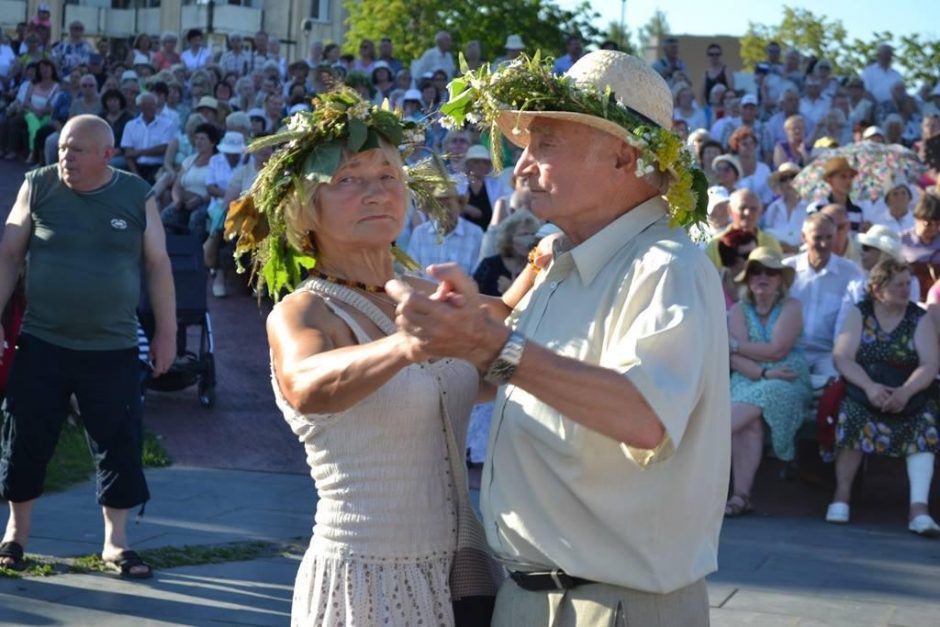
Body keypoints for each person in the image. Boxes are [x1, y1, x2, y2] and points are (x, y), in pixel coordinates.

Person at [389, 50, 730, 626]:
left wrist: (490, 345)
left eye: (543, 144)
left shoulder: (665, 265)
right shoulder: (566, 263)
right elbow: (504, 375)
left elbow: (643, 413)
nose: (520, 168)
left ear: (624, 157)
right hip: (535, 598)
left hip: (611, 605)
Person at [241, 88, 506, 625]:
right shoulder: (304, 310)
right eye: (347, 180)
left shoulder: (423, 291)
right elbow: (307, 384)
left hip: (465, 574)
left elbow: (497, 363)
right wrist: (408, 345)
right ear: (304, 210)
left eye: (387, 177)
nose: (375, 192)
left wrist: (546, 275)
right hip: (365, 580)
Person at [0, 115, 176, 576]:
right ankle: (15, 535)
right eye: (62, 148)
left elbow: (158, 265)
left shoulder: (136, 195)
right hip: (42, 341)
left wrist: (166, 333)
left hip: (112, 346)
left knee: (118, 441)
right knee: (24, 437)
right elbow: (9, 254)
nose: (65, 157)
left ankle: (116, 544)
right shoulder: (37, 186)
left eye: (77, 150)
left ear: (107, 155)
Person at [830, 257, 940, 535]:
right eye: (898, 285)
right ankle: (841, 496)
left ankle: (919, 509)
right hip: (866, 387)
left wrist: (905, 392)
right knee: (852, 416)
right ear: (878, 289)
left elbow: (929, 363)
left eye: (908, 284)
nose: (906, 290)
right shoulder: (861, 312)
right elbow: (842, 356)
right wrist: (869, 387)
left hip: (909, 390)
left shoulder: (918, 316)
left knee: (924, 423)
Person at [726, 247, 811, 516]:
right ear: (748, 278)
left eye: (770, 272)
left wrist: (738, 346)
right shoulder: (739, 310)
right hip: (748, 378)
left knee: (773, 390)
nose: (763, 277)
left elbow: (777, 351)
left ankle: (708, 437)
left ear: (780, 280)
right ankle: (741, 496)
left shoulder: (792, 307)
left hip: (787, 378)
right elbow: (731, 357)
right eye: (756, 271)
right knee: (750, 424)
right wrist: (762, 372)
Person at [784, 213, 865, 382]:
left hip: (830, 354)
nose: (824, 243)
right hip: (791, 350)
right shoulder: (786, 270)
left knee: (834, 389)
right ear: (803, 237)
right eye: (818, 237)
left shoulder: (850, 272)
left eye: (829, 237)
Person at [406, 184, 484, 275]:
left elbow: (477, 275)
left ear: (459, 206)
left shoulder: (475, 234)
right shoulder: (420, 233)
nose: (445, 211)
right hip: (424, 289)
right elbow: (411, 272)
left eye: (449, 205)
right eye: (440, 207)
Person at [705, 188, 781, 269]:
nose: (747, 213)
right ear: (730, 210)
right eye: (742, 208)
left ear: (760, 211)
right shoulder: (715, 244)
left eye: (753, 209)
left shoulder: (770, 243)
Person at [806, 157, 869, 233]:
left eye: (851, 177)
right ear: (830, 180)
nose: (848, 181)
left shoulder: (857, 211)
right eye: (843, 176)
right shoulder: (817, 208)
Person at [762, 162, 807, 252]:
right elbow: (766, 234)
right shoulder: (773, 208)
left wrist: (795, 249)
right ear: (779, 184)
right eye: (783, 179)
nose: (788, 182)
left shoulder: (810, 207)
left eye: (792, 177)